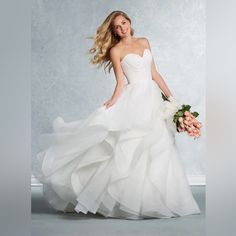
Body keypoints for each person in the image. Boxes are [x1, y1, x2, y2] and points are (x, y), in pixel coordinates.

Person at [33, 10, 201, 219]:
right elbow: (121, 82)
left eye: (123, 23)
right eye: (117, 27)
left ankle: (156, 200)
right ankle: (125, 200)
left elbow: (154, 73)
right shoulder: (116, 50)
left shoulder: (144, 41)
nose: (122, 28)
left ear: (129, 22)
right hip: (134, 99)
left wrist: (172, 99)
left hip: (153, 99)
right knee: (129, 146)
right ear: (113, 31)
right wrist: (112, 103)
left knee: (159, 146)